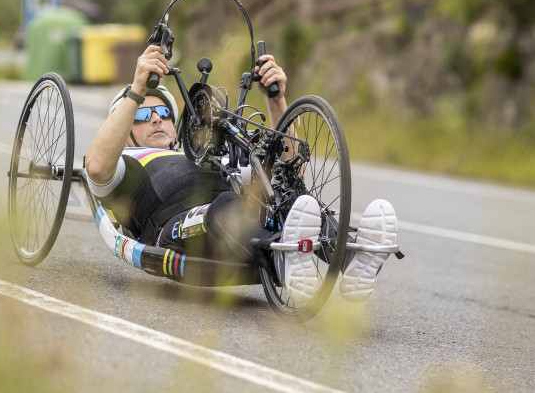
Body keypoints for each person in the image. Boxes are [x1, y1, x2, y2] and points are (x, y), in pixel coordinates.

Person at [85, 45, 397, 304]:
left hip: (238, 230)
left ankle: (353, 260)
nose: (155, 118)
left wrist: (276, 102)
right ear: (124, 129)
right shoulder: (126, 162)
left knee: (288, 199)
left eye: (164, 112)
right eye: (141, 114)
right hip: (176, 228)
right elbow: (96, 167)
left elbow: (289, 172)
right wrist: (137, 88)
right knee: (225, 206)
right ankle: (288, 253)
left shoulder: (207, 155)